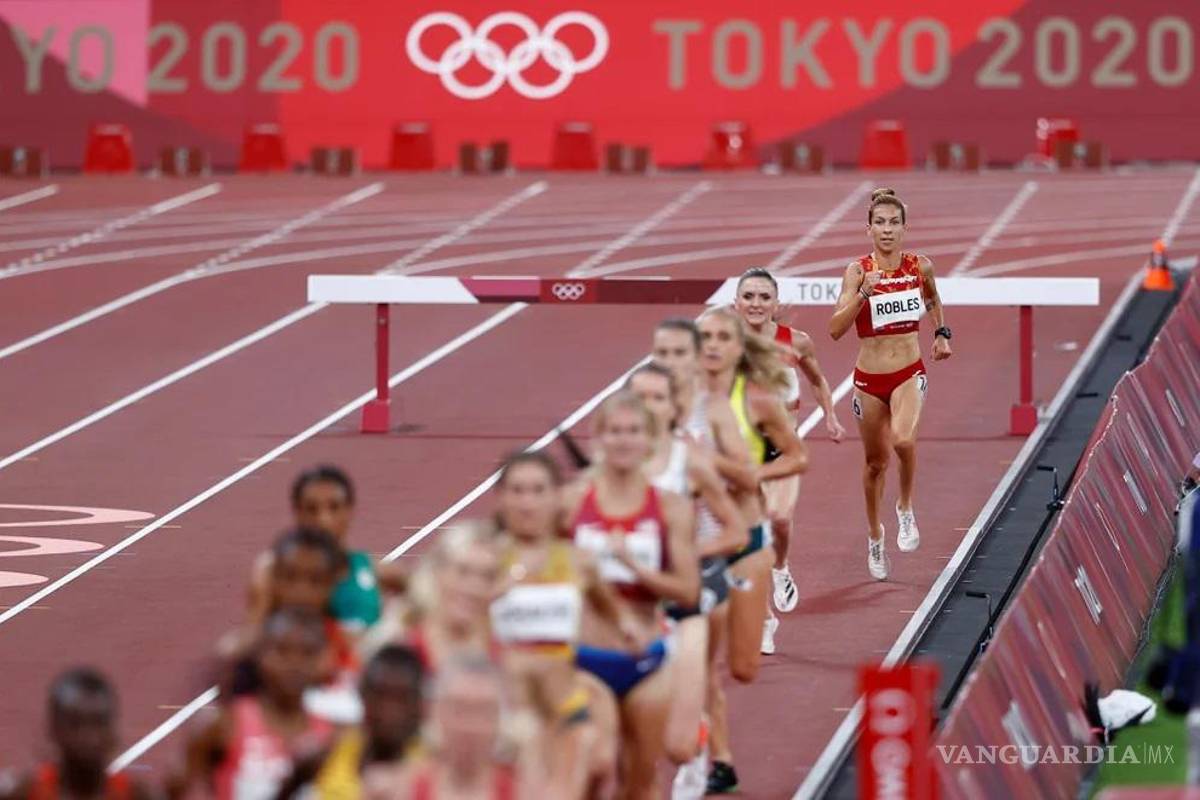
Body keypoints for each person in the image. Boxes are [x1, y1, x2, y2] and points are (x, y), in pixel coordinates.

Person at [562, 391, 700, 799]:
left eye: (633, 431)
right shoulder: (572, 503)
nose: (623, 440)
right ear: (599, 438)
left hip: (647, 658)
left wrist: (638, 569)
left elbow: (688, 590)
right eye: (615, 431)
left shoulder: (671, 508)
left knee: (640, 781)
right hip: (586, 657)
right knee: (593, 765)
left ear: (650, 440)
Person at [697, 306, 809, 793]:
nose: (715, 345)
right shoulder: (675, 403)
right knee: (696, 660)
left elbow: (798, 457)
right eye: (707, 336)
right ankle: (710, 758)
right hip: (695, 546)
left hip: (745, 541)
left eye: (726, 336)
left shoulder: (758, 399)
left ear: (740, 347)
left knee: (741, 666)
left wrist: (753, 475)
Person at [627, 362, 746, 782]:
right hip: (631, 604)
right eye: (639, 397)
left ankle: (703, 754)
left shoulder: (689, 459)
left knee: (692, 701)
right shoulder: (606, 464)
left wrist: (689, 551)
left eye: (657, 398)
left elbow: (734, 531)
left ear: (671, 406)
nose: (648, 406)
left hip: (688, 594)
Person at [829, 187, 952, 580]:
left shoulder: (920, 266)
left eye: (893, 223)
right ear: (868, 229)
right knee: (874, 464)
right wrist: (862, 295)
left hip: (908, 371)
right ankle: (875, 535)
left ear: (904, 228)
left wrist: (941, 333)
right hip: (867, 381)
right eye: (879, 223)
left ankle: (904, 508)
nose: (887, 229)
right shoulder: (858, 271)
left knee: (903, 440)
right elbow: (835, 330)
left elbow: (932, 300)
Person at [490, 450, 625, 799]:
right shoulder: (481, 560)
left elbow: (614, 620)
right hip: (501, 713)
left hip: (564, 709)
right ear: (501, 497)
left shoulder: (580, 562)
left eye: (538, 490)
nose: (527, 502)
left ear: (556, 498)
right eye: (517, 491)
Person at [734, 267, 845, 643]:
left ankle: (781, 567)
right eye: (748, 296)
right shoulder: (724, 345)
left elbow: (816, 380)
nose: (756, 303)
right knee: (753, 534)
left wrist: (829, 415)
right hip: (741, 453)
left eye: (764, 297)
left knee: (779, 520)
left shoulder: (796, 343)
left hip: (783, 449)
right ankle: (765, 621)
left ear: (775, 303)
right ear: (736, 302)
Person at [170, 609, 335, 800]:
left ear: (324, 660)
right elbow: (175, 788)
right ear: (260, 656)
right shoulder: (224, 726)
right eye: (282, 651)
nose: (294, 664)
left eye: (308, 653)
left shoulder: (332, 734)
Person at [248, 466, 403, 639]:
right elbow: (252, 640)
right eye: (311, 509)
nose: (323, 519)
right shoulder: (273, 573)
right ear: (297, 512)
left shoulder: (379, 573)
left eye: (334, 507)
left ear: (350, 511)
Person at [276, 644, 428, 799]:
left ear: (420, 704)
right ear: (362, 694)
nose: (389, 710)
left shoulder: (432, 769)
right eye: (380, 695)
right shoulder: (327, 753)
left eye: (401, 699)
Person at [368, 658, 521, 800]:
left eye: (483, 711)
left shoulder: (524, 793)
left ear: (499, 719)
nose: (470, 726)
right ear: (436, 711)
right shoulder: (398, 790)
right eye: (459, 709)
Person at [0, 668, 157, 800]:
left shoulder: (136, 795)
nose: (88, 737)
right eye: (76, 724)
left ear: (112, 729)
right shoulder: (23, 793)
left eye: (98, 722)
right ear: (54, 728)